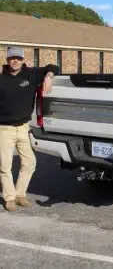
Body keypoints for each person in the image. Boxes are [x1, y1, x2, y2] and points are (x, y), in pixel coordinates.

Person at [0, 47, 59, 212]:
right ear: (7, 59)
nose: (15, 61)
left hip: (24, 128)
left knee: (30, 162)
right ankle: (9, 198)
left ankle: (20, 194)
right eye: (12, 58)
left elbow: (54, 67)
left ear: (22, 59)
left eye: (18, 58)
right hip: (4, 129)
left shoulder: (31, 74)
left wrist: (48, 77)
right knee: (4, 166)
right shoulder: (1, 79)